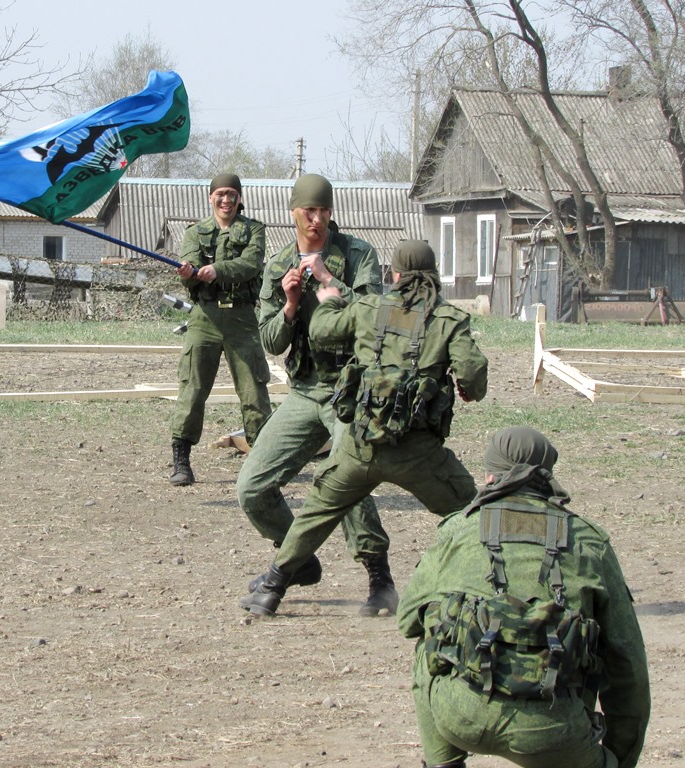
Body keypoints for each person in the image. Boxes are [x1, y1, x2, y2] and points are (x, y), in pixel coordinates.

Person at [240, 239, 489, 618]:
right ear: (435, 276)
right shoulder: (449, 320)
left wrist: (333, 297)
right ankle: (490, 581)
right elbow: (473, 376)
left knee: (316, 512)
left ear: (395, 275)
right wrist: (466, 388)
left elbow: (322, 330)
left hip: (362, 448)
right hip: (419, 455)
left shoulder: (370, 308)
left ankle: (272, 588)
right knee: (472, 512)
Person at [398, 426, 651, 768]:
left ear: (489, 474)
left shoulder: (458, 529)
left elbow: (409, 619)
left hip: (461, 718)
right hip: (555, 731)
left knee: (429, 641)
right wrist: (619, 759)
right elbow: (627, 662)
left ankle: (443, 763)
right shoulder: (589, 542)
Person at [235, 173, 398, 616]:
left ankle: (379, 579)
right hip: (306, 391)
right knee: (251, 487)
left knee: (345, 479)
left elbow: (377, 318)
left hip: (350, 389)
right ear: (293, 213)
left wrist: (329, 280)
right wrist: (289, 306)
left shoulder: (358, 255)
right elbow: (270, 341)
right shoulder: (278, 265)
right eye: (309, 210)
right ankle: (300, 559)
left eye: (324, 210)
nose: (317, 218)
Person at [169, 173, 271, 486]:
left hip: (241, 319)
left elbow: (251, 264)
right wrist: (188, 273)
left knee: (254, 390)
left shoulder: (254, 230)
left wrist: (217, 270)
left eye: (232, 194)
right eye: (220, 194)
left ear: (240, 198)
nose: (226, 200)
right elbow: (189, 269)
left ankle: (264, 461)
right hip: (204, 318)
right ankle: (181, 460)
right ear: (210, 197)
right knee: (193, 388)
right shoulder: (194, 232)